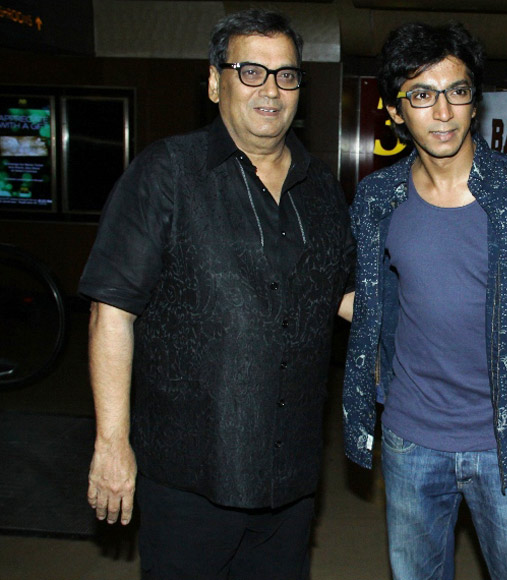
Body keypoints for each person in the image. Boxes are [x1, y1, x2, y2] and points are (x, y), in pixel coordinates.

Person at [78, 9, 355, 579]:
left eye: (286, 75)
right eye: (251, 71)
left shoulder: (321, 189)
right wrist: (112, 442)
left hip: (291, 480)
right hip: (189, 478)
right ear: (214, 82)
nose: (271, 90)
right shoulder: (166, 174)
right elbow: (112, 311)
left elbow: (342, 297)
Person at [342, 22, 507, 580]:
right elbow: (355, 288)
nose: (442, 111)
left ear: (474, 103)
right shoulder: (378, 199)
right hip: (410, 440)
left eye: (457, 91)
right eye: (421, 95)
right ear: (396, 110)